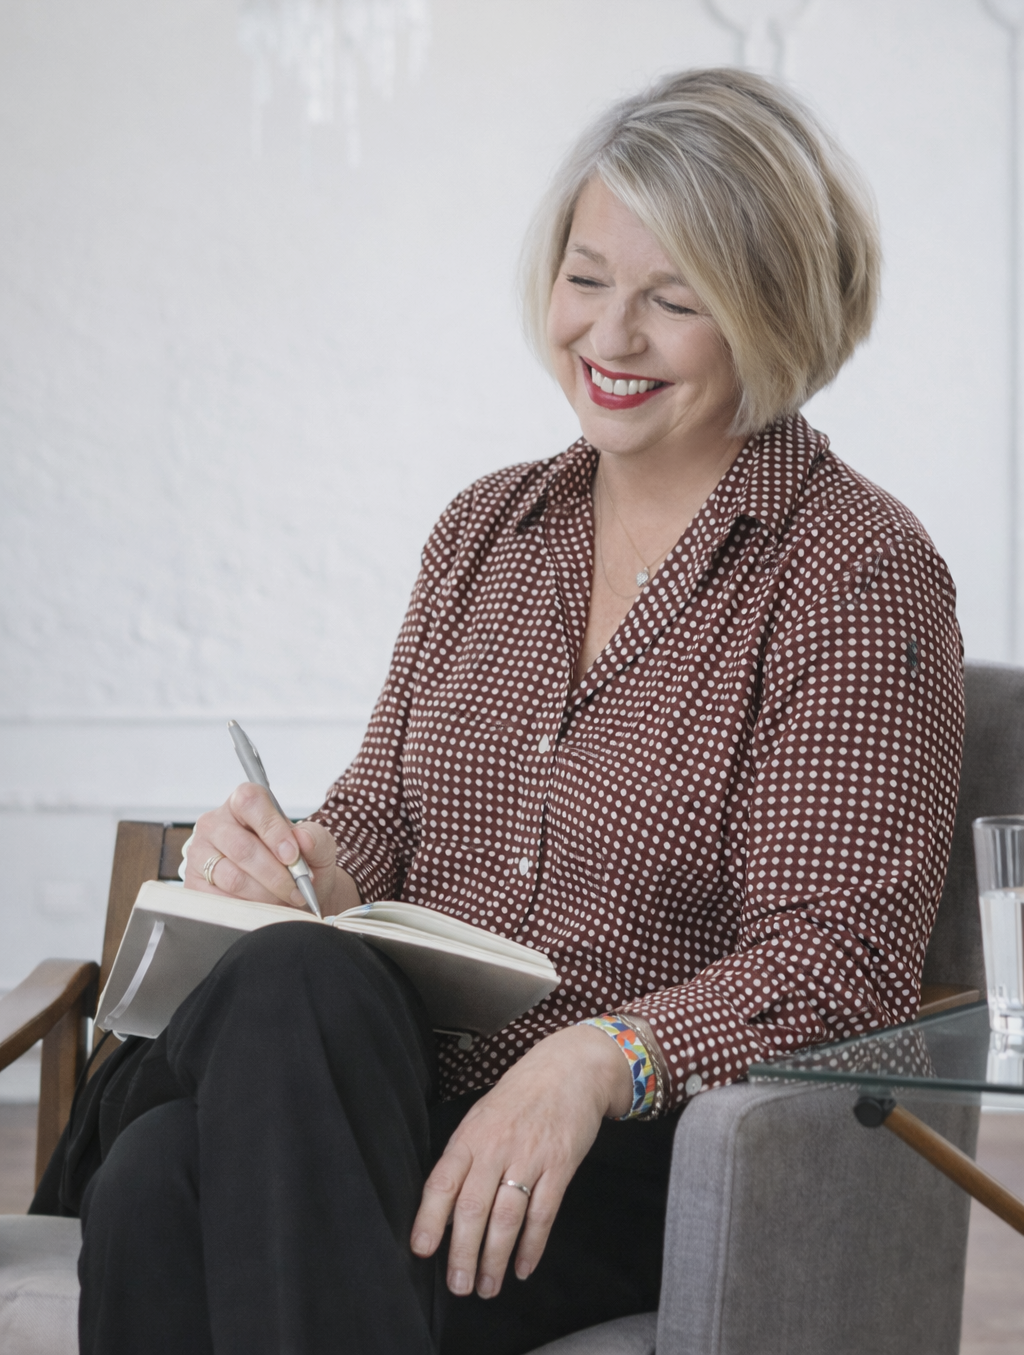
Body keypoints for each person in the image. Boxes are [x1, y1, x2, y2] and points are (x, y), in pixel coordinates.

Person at [69, 68, 964, 1354]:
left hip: (621, 1154)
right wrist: (301, 865)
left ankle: (140, 1097)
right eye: (587, 279)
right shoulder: (488, 528)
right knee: (267, 1015)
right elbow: (380, 810)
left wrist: (597, 1060)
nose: (611, 338)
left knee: (154, 1172)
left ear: (772, 312)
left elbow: (842, 954)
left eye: (674, 300)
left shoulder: (851, 573)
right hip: (389, 1098)